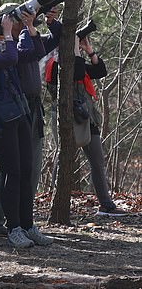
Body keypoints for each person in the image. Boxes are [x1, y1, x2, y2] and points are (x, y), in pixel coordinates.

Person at [0, 9, 52, 248]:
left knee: (26, 171)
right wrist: (8, 34)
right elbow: (11, 60)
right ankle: (13, 228)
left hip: (18, 114)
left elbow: (35, 52)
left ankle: (28, 226)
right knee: (12, 172)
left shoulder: (2, 46)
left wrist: (30, 26)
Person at [0, 5, 61, 236]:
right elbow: (24, 53)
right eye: (16, 19)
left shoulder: (27, 38)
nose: (20, 23)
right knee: (10, 168)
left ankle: (22, 219)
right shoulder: (5, 45)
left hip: (32, 108)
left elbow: (55, 39)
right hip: (15, 108)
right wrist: (22, 32)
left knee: (30, 166)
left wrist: (49, 21)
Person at [45, 35, 126, 216]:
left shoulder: (77, 64)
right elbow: (78, 72)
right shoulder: (55, 65)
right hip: (68, 118)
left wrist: (89, 51)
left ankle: (106, 205)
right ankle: (53, 201)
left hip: (86, 118)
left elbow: (100, 71)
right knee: (63, 159)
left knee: (97, 161)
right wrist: (74, 48)